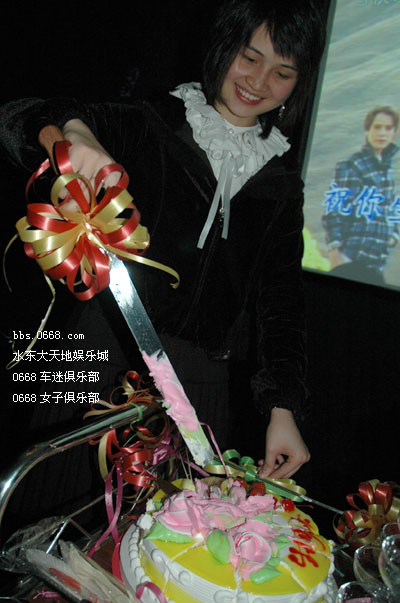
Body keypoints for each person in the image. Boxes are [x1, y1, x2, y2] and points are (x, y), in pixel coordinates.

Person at [0, 0, 326, 482]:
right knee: (54, 505)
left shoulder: (281, 182)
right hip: (98, 355)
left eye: (282, 72)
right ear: (224, 46)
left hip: (199, 386)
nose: (259, 82)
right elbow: (17, 119)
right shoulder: (152, 122)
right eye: (250, 57)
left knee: (175, 524)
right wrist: (71, 133)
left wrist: (283, 408)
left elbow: (282, 302)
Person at [322, 106, 400, 287]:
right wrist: (334, 250)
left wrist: (393, 236)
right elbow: (334, 209)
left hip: (376, 262)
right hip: (351, 258)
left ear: (394, 133)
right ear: (367, 131)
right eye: (377, 127)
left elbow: (392, 209)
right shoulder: (352, 165)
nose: (382, 133)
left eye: (388, 128)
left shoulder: (388, 170)